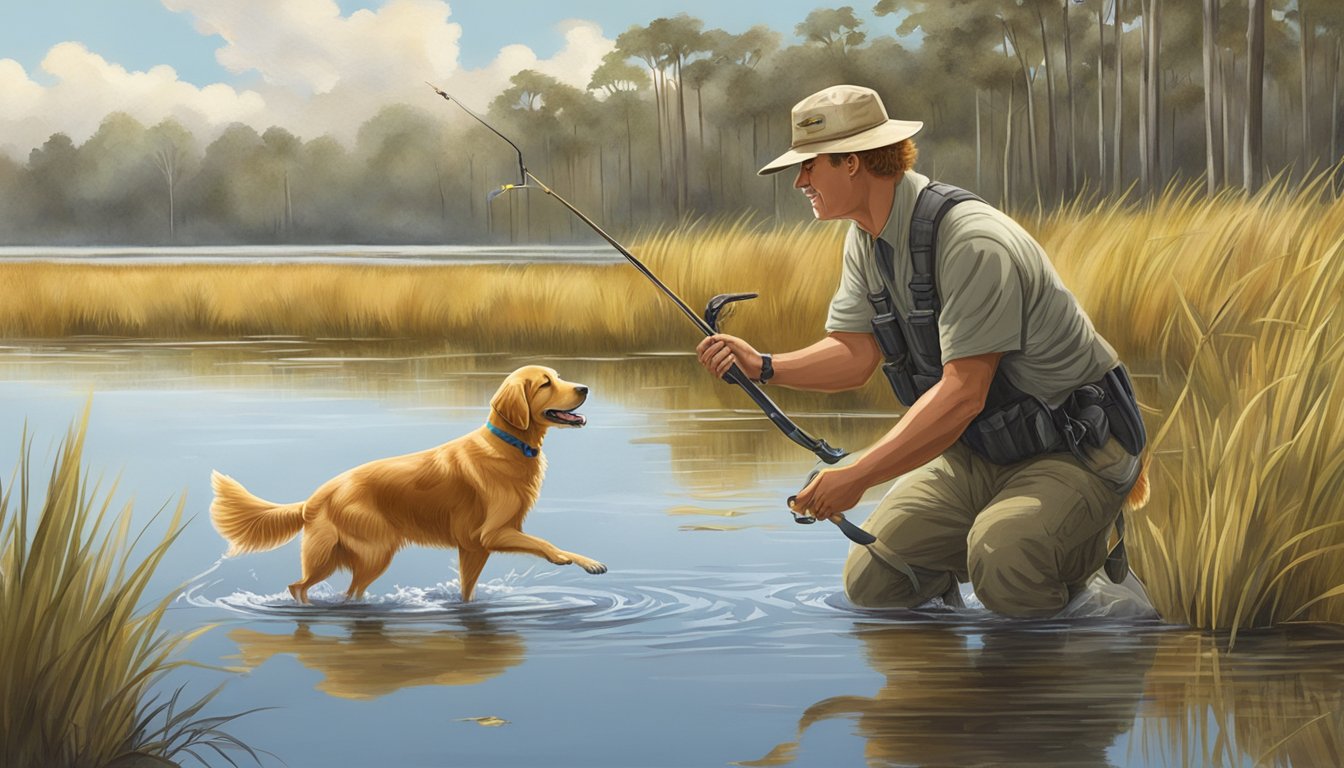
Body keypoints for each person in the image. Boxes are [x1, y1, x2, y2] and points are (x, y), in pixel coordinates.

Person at [696, 84, 1147, 619]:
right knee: (876, 578)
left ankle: (1090, 610)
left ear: (854, 164)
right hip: (982, 450)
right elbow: (855, 354)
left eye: (810, 166)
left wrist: (857, 476)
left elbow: (962, 395)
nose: (799, 181)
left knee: (1004, 556)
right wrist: (764, 366)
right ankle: (950, 680)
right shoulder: (866, 238)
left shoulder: (974, 241)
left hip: (1076, 451)